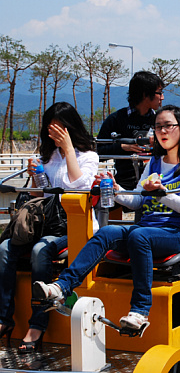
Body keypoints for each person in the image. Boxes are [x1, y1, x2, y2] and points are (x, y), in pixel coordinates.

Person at [34, 105, 180, 332]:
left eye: (168, 126)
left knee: (139, 235)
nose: (162, 131)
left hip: (177, 232)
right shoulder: (153, 163)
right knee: (107, 232)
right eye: (157, 127)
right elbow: (137, 201)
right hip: (145, 231)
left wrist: (161, 193)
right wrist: (117, 189)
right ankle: (61, 286)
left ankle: (141, 311)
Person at [0, 102, 98, 353]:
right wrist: (36, 175)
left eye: (59, 131)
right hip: (44, 223)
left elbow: (78, 187)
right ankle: (4, 318)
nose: (53, 135)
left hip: (72, 225)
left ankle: (38, 324)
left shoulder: (88, 156)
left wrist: (68, 151)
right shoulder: (49, 156)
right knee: (3, 248)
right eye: (50, 130)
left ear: (70, 129)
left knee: (40, 251)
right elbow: (39, 195)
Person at [96, 71, 165, 190]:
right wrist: (121, 147)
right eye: (159, 93)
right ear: (145, 94)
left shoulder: (162, 120)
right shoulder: (116, 119)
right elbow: (98, 152)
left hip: (158, 181)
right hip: (124, 183)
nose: (162, 97)